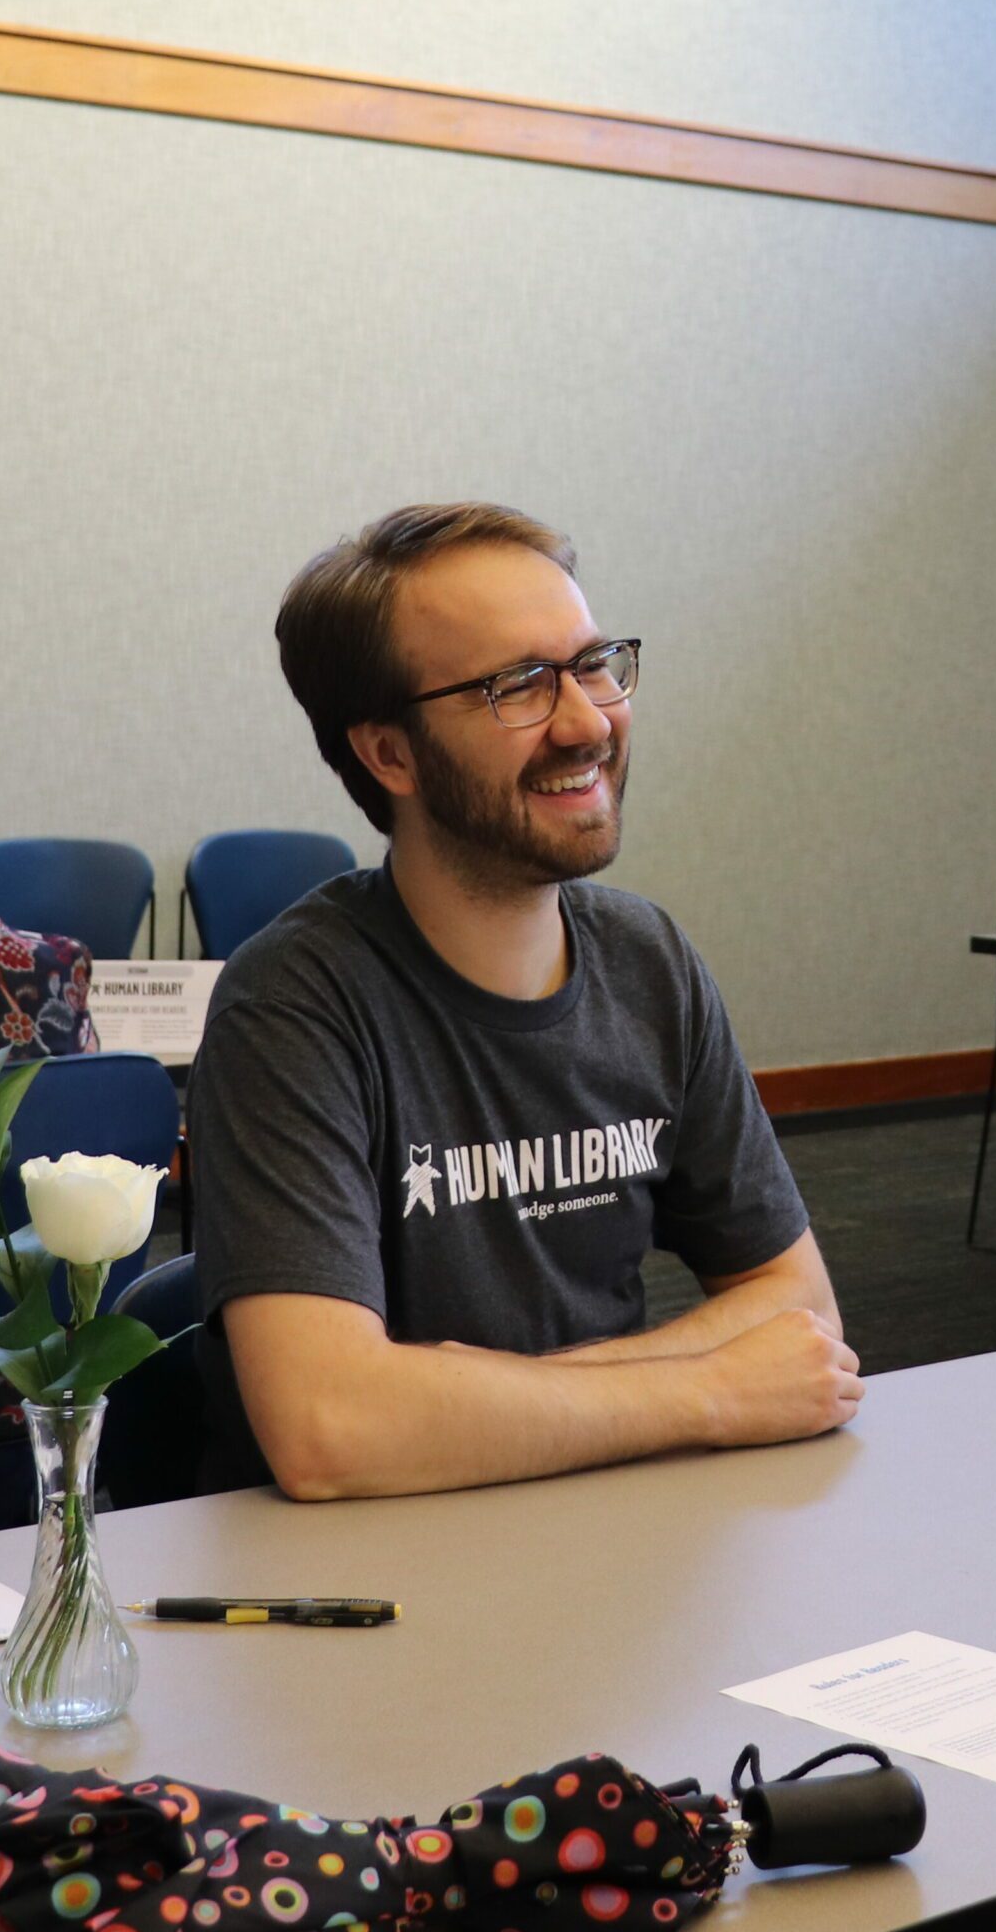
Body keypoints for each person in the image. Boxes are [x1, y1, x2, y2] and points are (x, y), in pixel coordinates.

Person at [191, 503, 859, 1501]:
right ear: (390, 754)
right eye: (518, 686)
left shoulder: (649, 960)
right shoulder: (293, 1005)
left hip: (607, 1531)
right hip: (379, 1584)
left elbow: (797, 1307)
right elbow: (330, 1427)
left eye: (594, 663)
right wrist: (707, 1392)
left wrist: (467, 1401)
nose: (588, 720)